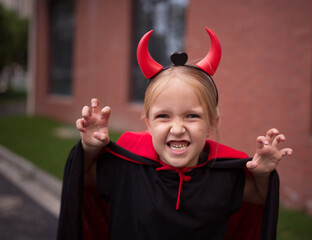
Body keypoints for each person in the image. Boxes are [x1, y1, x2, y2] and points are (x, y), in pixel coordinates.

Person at [57, 28, 292, 240]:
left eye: (192, 116)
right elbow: (82, 179)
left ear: (212, 123)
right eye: (163, 116)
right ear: (148, 123)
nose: (177, 128)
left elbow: (261, 198)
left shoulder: (225, 176)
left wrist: (263, 174)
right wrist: (90, 148)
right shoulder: (126, 169)